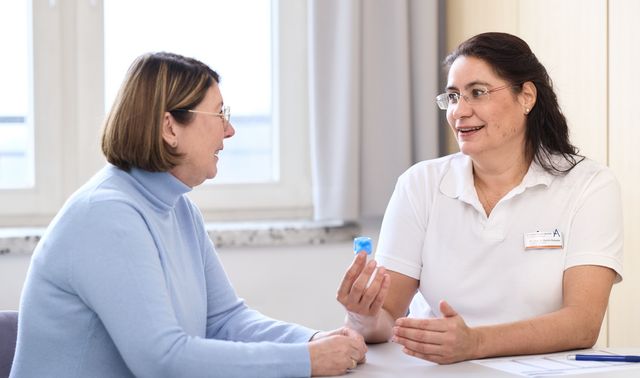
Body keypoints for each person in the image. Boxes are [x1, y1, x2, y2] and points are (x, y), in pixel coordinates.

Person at [11, 52, 366, 377]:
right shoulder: (105, 216)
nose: (230, 130)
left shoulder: (179, 208)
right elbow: (162, 360)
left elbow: (226, 320)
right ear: (170, 128)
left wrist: (316, 340)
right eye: (220, 114)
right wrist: (307, 360)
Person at [337, 32, 623, 364]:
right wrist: (361, 315)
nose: (460, 111)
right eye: (453, 96)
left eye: (478, 93)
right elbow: (385, 318)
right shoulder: (420, 184)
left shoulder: (589, 185)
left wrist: (475, 343)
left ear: (526, 96)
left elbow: (582, 324)